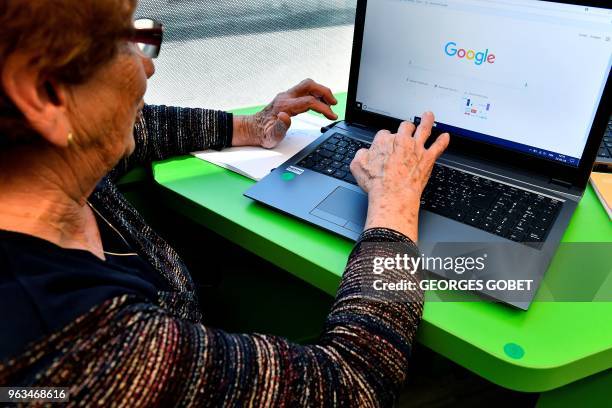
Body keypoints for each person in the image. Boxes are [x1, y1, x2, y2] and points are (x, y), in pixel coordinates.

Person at [0, 0, 449, 406]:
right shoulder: (86, 353)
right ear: (45, 93)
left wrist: (254, 127)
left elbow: (142, 125)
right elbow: (353, 384)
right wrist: (393, 206)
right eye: (123, 40)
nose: (147, 66)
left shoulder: (37, 161)